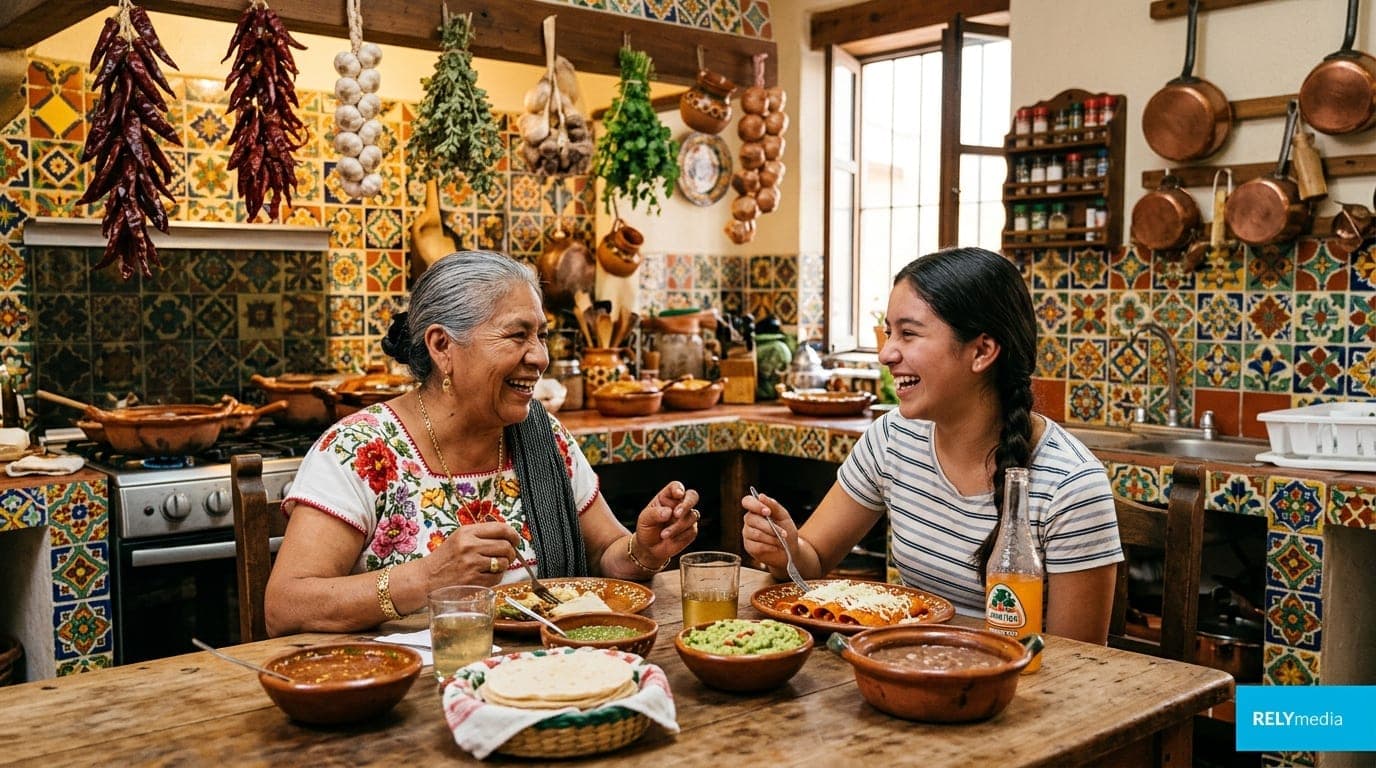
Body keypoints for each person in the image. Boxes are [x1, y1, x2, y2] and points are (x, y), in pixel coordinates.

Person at [265, 250, 701, 636]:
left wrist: (643, 550)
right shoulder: (360, 450)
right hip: (406, 699)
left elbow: (607, 554)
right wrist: (427, 579)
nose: (540, 357)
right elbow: (285, 606)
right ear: (442, 346)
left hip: (546, 680)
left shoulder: (540, 435)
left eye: (542, 335)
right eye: (517, 335)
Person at [742, 247, 1122, 644]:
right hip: (905, 671)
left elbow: (1078, 664)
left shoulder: (1072, 486)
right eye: (889, 332)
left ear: (981, 351)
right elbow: (813, 562)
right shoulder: (891, 439)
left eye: (908, 333)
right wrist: (785, 547)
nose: (886, 353)